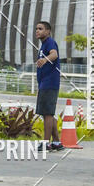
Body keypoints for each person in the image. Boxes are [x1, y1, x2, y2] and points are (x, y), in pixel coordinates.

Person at [35, 21, 62, 151]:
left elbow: (54, 54)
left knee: (47, 114)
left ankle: (46, 143)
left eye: (40, 29)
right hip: (44, 83)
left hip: (49, 83)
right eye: (36, 29)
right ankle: (56, 142)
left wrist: (45, 59)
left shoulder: (50, 42)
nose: (37, 31)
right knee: (48, 114)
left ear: (48, 31)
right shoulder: (43, 45)